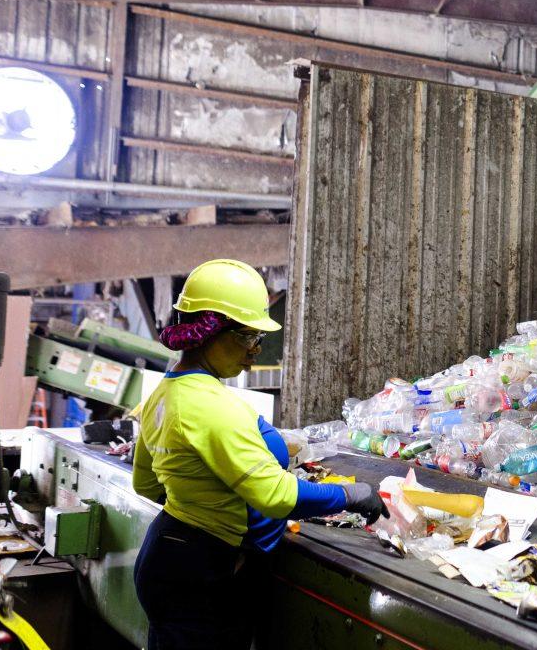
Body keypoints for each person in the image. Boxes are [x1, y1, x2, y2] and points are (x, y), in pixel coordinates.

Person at [132, 259, 385, 650]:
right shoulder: (212, 405)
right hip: (199, 569)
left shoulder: (163, 394)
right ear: (208, 332)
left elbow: (145, 483)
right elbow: (277, 496)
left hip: (166, 552)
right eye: (247, 337)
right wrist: (351, 495)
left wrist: (202, 499)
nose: (254, 352)